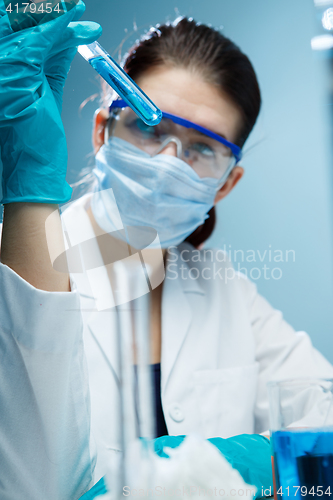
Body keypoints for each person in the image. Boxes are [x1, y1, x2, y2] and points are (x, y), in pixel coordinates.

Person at [1, 2, 333, 499]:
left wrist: (240, 459)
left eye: (202, 148)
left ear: (226, 184)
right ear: (101, 131)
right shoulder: (23, 267)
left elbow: (325, 409)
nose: (169, 163)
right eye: (150, 128)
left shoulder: (224, 289)